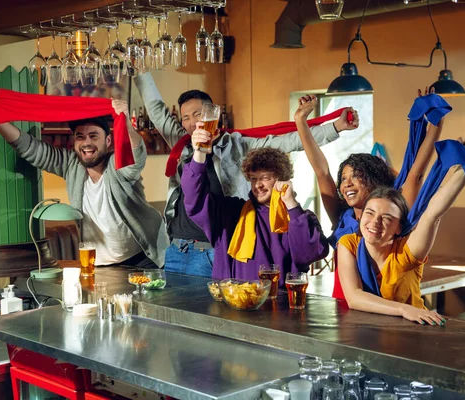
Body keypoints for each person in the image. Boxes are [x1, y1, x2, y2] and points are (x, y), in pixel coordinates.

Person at [134, 72, 359, 277]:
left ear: (214, 113)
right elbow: (157, 111)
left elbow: (288, 140)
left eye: (198, 114)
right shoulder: (183, 144)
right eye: (185, 118)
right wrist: (141, 71)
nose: (192, 123)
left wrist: (335, 127)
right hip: (176, 249)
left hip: (213, 250)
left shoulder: (238, 144)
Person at [0, 91, 168, 269]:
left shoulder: (118, 165)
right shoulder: (71, 165)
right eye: (80, 137)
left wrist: (125, 122)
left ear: (108, 141)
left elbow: (136, 155)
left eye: (94, 136)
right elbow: (29, 148)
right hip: (100, 263)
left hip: (144, 257)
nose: (86, 143)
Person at [294, 91, 448, 298]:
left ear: (375, 180)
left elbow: (416, 174)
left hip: (389, 309)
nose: (347, 184)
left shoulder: (395, 215)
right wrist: (300, 121)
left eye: (356, 176)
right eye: (344, 178)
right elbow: (321, 171)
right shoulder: (342, 217)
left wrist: (438, 120)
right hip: (344, 308)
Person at [337, 139, 465, 324]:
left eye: (387, 218)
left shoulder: (406, 252)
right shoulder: (349, 244)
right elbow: (354, 297)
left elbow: (432, 215)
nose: (375, 222)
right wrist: (404, 309)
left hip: (413, 330)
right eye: (370, 213)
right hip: (367, 333)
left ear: (398, 228)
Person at [181, 131, 329, 283]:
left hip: (280, 304)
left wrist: (291, 205)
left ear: (281, 179)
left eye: (265, 178)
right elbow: (195, 199)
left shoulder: (300, 217)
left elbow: (308, 254)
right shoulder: (232, 213)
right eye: (253, 179)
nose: (258, 185)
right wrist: (199, 154)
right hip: (233, 301)